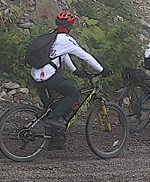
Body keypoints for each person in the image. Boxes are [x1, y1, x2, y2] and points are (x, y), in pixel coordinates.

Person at [30, 10, 104, 149]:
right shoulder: (66, 39)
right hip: (47, 75)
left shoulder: (52, 35)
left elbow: (62, 55)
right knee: (74, 93)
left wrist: (74, 70)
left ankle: (54, 140)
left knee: (50, 106)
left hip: (36, 75)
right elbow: (85, 56)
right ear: (70, 26)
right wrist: (101, 70)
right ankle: (53, 119)